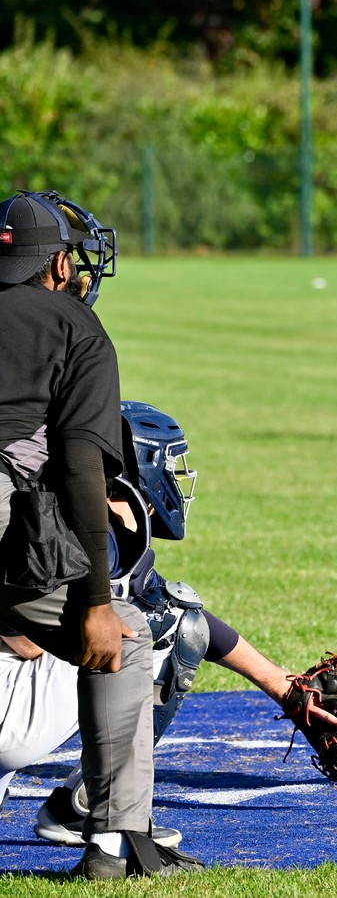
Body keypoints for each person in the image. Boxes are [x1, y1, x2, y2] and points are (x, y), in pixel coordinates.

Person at [0, 400, 337, 848]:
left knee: (150, 616)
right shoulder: (90, 528)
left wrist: (281, 684)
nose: (178, 478)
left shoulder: (39, 501)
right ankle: (85, 808)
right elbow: (26, 638)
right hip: (9, 715)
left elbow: (178, 610)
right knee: (167, 627)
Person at [0, 190, 203, 877]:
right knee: (126, 632)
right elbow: (81, 465)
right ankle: (114, 840)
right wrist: (90, 602)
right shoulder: (72, 328)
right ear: (55, 265)